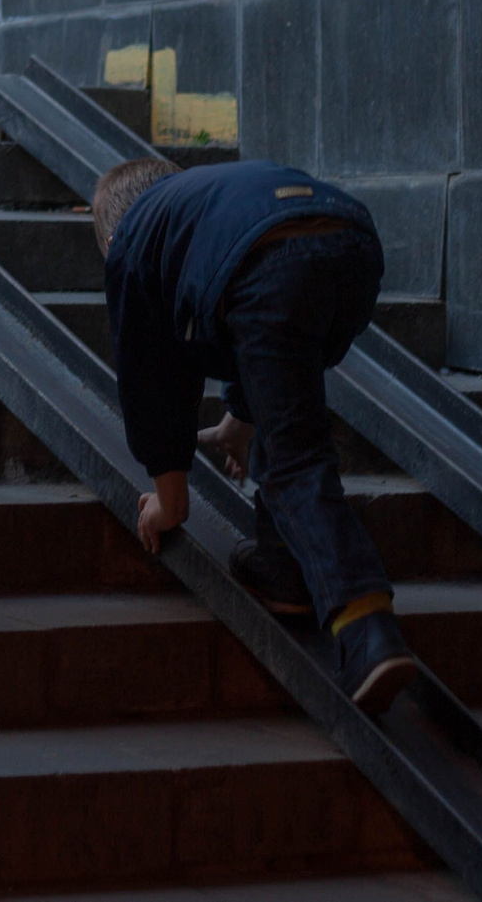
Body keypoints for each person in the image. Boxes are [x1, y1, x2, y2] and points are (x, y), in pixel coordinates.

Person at [92, 155, 421, 713]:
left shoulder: (131, 241)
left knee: (296, 462)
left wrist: (168, 505)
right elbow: (255, 339)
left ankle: (367, 628)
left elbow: (152, 386)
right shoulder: (205, 201)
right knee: (288, 409)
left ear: (109, 232)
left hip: (271, 264)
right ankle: (286, 566)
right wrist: (236, 424)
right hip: (350, 242)